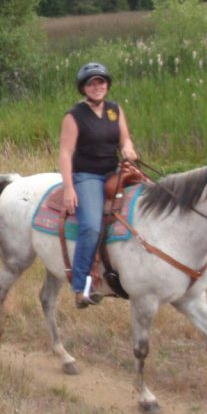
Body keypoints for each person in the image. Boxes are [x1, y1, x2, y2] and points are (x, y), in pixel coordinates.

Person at [58, 62, 138, 309]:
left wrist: (128, 149)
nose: (97, 87)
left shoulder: (114, 110)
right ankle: (81, 286)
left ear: (107, 85)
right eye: (91, 83)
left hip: (114, 171)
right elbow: (65, 153)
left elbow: (124, 139)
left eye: (101, 82)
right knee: (91, 226)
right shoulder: (74, 116)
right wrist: (69, 187)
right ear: (83, 88)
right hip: (87, 175)